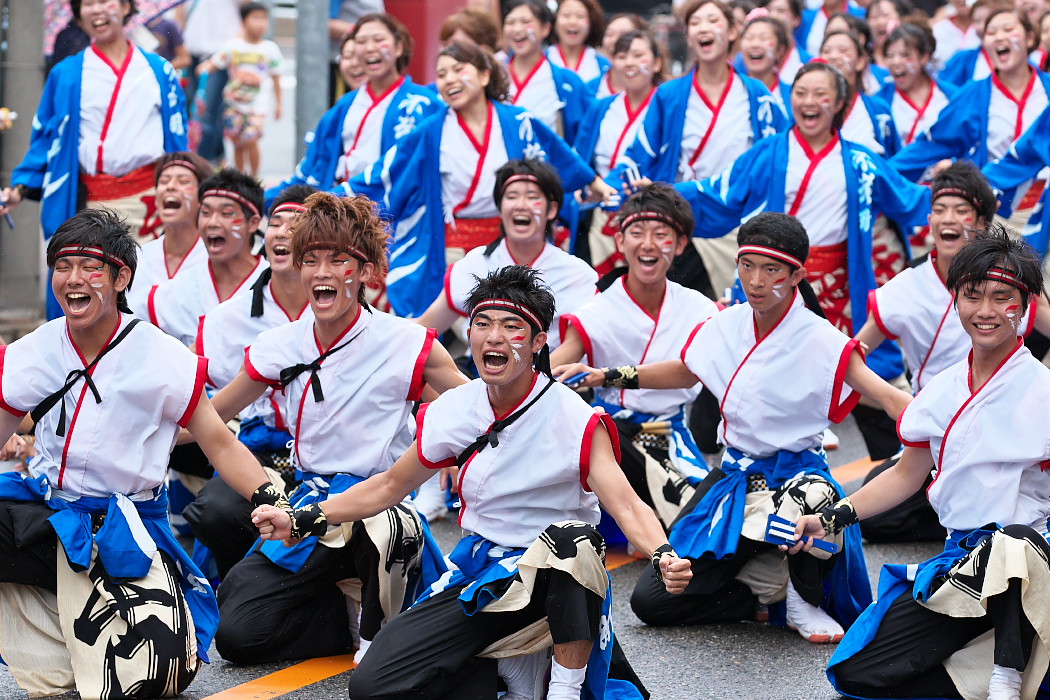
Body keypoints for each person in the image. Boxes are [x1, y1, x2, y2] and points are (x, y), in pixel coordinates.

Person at [252, 265, 693, 700]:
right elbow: (388, 486)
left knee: (574, 543)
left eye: (511, 326)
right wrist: (305, 517)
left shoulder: (575, 417)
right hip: (482, 572)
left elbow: (628, 505)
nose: (493, 337)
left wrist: (662, 554)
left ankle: (564, 688)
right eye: (482, 324)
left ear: (539, 342)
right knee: (373, 685)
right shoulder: (455, 409)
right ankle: (513, 673)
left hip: (555, 584)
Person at [555, 213, 912, 645]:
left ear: (797, 273)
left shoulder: (823, 339)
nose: (755, 280)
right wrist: (607, 375)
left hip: (796, 480)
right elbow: (685, 372)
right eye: (747, 265)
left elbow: (891, 399)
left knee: (811, 496)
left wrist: (944, 433)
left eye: (771, 269)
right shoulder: (727, 323)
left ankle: (802, 593)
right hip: (732, 480)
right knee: (653, 601)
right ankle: (763, 594)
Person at [0, 208, 279, 699]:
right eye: (62, 266)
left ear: (121, 276)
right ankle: (59, 628)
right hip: (49, 516)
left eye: (90, 266)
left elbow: (220, 442)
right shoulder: (36, 349)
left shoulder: (162, 356)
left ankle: (89, 632)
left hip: (125, 530)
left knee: (158, 673)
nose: (73, 279)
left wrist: (270, 497)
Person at [197, 192, 465, 665]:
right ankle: (344, 617)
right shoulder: (279, 345)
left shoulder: (406, 343)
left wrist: (455, 455)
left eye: (338, 259)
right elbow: (210, 417)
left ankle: (379, 622)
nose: (322, 272)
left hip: (379, 509)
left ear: (364, 273)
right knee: (237, 637)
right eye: (312, 260)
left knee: (382, 526)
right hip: (309, 505)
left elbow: (478, 411)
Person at [791, 227, 1050, 700]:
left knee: (1012, 543)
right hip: (963, 564)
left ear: (1025, 306)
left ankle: (1007, 677)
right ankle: (994, 658)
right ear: (956, 301)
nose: (987, 311)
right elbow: (907, 473)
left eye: (1002, 297)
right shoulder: (943, 388)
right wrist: (831, 518)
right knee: (856, 674)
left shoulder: (1045, 391)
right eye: (973, 296)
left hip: (1029, 564)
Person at [675, 61, 928, 423]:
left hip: (840, 284)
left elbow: (908, 198)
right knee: (767, 362)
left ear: (840, 103)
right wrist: (664, 195)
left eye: (821, 94)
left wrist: (953, 199)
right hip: (779, 278)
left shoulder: (860, 161)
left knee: (857, 366)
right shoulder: (769, 153)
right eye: (801, 93)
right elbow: (718, 192)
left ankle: (903, 437)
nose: (809, 102)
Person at [347, 40, 612, 317]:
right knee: (447, 326)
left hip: (508, 246)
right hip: (451, 248)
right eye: (441, 74)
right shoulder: (431, 130)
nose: (449, 80)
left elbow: (558, 153)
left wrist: (596, 184)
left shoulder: (517, 120)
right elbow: (387, 172)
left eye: (458, 70)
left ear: (485, 75)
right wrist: (337, 196)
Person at [2, 0, 188, 318]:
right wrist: (20, 187)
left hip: (150, 205)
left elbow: (178, 139)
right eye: (87, 3)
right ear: (78, 13)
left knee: (153, 297)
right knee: (90, 297)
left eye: (106, 1)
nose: (96, 10)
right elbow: (48, 138)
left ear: (128, 8)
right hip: (91, 204)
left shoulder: (159, 70)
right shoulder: (66, 73)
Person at [552, 184, 720, 530]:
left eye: (662, 234)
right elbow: (557, 366)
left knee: (710, 517)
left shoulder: (699, 308)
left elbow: (688, 373)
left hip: (671, 437)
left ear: (681, 245)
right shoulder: (596, 310)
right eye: (637, 233)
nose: (648, 244)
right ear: (619, 242)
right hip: (610, 440)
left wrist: (605, 375)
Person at [607, 0, 788, 299]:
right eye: (696, 23)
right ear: (688, 36)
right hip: (682, 218)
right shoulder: (670, 94)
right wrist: (605, 186)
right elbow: (639, 156)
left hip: (742, 222)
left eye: (712, 20)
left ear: (732, 32)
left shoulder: (759, 97)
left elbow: (781, 157)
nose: (703, 28)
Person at [182, 185, 315, 579]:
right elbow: (186, 393)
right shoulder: (227, 318)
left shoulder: (345, 311)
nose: (281, 233)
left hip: (335, 454)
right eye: (276, 224)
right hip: (259, 451)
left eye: (297, 225)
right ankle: (248, 580)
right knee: (217, 511)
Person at [891, 6, 1049, 237]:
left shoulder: (1047, 88)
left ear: (1030, 37)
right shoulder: (974, 94)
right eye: (991, 32)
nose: (1000, 37)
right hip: (995, 207)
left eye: (1008, 29)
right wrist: (885, 172)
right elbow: (932, 145)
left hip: (1044, 205)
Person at [416, 159, 597, 351]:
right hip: (482, 375)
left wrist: (536, 379)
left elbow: (586, 344)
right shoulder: (474, 265)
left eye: (531, 196)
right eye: (511, 196)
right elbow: (425, 329)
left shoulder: (577, 274)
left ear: (551, 209)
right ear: (500, 208)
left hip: (553, 376)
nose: (520, 205)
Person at [265, 13, 441, 209]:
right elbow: (313, 168)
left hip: (390, 215)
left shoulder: (422, 103)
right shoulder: (345, 105)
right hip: (342, 212)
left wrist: (335, 197)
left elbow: (406, 171)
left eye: (379, 40)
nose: (370, 48)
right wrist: (261, 198)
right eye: (361, 41)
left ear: (399, 47)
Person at [573, 29, 666, 273]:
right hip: (600, 209)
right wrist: (588, 187)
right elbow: (580, 160)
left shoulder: (668, 107)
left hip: (648, 212)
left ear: (657, 63)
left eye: (638, 55)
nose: (629, 63)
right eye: (622, 56)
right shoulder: (601, 107)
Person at [147, 168, 268, 346]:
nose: (212, 222)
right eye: (205, 213)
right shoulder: (179, 289)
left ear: (253, 223)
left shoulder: (274, 285)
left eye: (226, 213)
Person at [198, 2, 283, 178]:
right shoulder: (232, 46)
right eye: (256, 18)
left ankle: (254, 177)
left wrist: (279, 104)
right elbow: (216, 62)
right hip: (233, 103)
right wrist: (205, 68)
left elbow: (276, 77)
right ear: (243, 21)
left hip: (257, 105)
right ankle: (241, 176)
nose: (261, 23)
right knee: (237, 143)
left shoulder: (270, 49)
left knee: (251, 140)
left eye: (264, 19)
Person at [127, 152, 214, 318]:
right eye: (164, 181)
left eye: (183, 181)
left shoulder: (215, 259)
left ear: (203, 198)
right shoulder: (137, 258)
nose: (170, 187)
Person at [502, 0, 592, 142]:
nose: (517, 29)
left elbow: (583, 135)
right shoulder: (494, 75)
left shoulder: (566, 80)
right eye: (510, 22)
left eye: (526, 21)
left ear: (545, 28)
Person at [820, 29, 900, 156]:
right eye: (826, 51)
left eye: (843, 51)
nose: (833, 56)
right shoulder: (809, 109)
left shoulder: (879, 109)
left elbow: (893, 161)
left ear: (860, 62)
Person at [878, 21, 958, 148]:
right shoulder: (879, 102)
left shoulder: (952, 96)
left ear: (924, 57)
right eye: (889, 55)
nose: (895, 62)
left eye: (905, 55)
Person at [737, 14, 794, 115]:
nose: (755, 44)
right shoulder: (734, 90)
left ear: (780, 50)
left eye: (764, 38)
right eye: (749, 38)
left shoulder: (792, 95)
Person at [546, 0, 610, 83]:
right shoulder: (542, 60)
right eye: (566, 15)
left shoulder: (603, 66)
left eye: (580, 16)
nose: (573, 22)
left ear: (591, 22)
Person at [591, 12, 649, 97]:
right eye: (609, 34)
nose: (614, 41)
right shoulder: (590, 89)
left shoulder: (661, 92)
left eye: (624, 35)